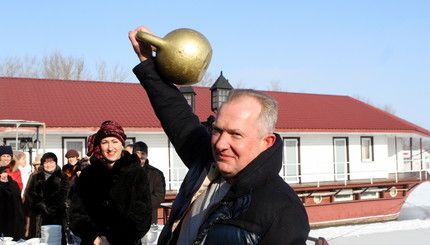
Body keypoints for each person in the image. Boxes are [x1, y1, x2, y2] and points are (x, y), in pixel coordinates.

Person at [129, 26, 310, 244]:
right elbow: (177, 115)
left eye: (236, 134)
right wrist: (148, 62)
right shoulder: (206, 165)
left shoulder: (282, 210)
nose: (221, 144)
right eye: (217, 130)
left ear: (266, 142)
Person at [69, 120, 152, 245]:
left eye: (114, 142)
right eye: (104, 142)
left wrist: (113, 240)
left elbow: (142, 215)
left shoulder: (136, 173)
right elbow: (76, 213)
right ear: (99, 145)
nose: (110, 148)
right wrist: (95, 238)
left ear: (122, 144)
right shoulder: (88, 175)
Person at [23, 152, 69, 245]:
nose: (48, 165)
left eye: (51, 162)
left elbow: (63, 193)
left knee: (55, 240)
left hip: (56, 214)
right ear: (42, 164)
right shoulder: (36, 177)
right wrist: (40, 204)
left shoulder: (62, 176)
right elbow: (30, 193)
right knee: (37, 240)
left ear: (56, 163)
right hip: (38, 215)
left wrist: (49, 205)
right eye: (46, 163)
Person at [133, 141, 166, 224]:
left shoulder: (156, 173)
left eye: (143, 153)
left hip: (149, 218)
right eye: (137, 153)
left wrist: (143, 204)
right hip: (128, 219)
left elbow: (159, 196)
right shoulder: (125, 172)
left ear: (146, 155)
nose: (140, 156)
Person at [0, 166, 25, 241]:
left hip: (14, 218)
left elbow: (18, 202)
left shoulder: (13, 184)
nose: (3, 175)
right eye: (1, 173)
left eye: (5, 172)